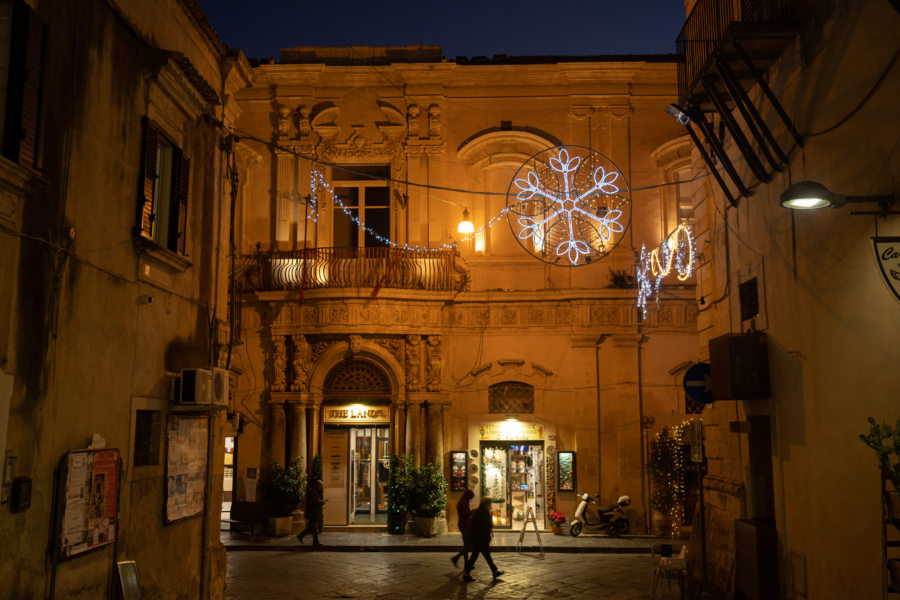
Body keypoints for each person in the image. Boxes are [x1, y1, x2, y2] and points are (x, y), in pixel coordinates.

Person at [462, 497, 503, 581]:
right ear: (486, 504)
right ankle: (466, 574)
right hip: (480, 539)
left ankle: (494, 571)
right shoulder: (481, 512)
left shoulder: (482, 511)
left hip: (480, 539)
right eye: (490, 504)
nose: (491, 506)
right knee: (478, 556)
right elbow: (482, 526)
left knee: (483, 556)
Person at [451, 488, 475, 567]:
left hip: (464, 525)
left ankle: (466, 564)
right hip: (464, 525)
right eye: (471, 497)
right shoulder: (463, 503)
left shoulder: (463, 501)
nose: (471, 499)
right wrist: (472, 512)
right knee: (468, 545)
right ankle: (456, 558)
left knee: (466, 545)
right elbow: (465, 515)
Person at [297, 480, 324, 547]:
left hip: (313, 513)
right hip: (313, 513)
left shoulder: (314, 491)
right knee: (314, 528)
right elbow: (315, 502)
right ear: (317, 486)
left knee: (310, 528)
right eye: (320, 486)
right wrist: (322, 502)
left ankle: (300, 536)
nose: (321, 488)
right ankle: (315, 542)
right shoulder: (314, 492)